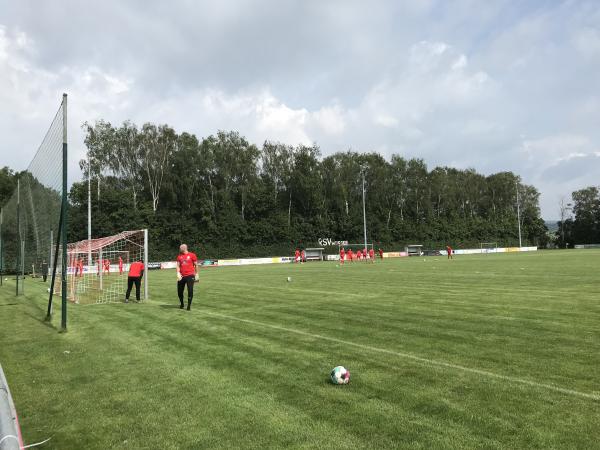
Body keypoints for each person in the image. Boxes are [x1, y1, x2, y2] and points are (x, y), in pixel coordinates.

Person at [176, 244, 198, 310]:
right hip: (181, 276)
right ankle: (182, 304)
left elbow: (196, 265)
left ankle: (189, 306)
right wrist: (178, 273)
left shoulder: (192, 255)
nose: (179, 249)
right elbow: (178, 265)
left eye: (180, 248)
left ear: (184, 248)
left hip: (190, 275)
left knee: (190, 290)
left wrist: (196, 274)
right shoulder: (179, 256)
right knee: (179, 291)